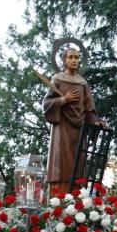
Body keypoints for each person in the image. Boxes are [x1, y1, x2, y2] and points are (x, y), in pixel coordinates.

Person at [43, 47, 105, 190]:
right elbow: (46, 104)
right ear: (64, 60)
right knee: (61, 165)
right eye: (70, 57)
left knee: (78, 167)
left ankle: (76, 200)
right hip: (61, 130)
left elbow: (89, 110)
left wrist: (96, 121)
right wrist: (64, 99)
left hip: (79, 131)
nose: (74, 60)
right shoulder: (57, 79)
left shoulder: (82, 83)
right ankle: (58, 198)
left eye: (77, 58)